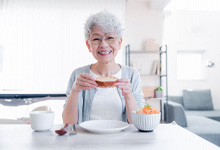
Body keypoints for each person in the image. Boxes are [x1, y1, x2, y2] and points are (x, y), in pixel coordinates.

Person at [62, 11, 144, 125]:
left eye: (110, 38)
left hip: (122, 142)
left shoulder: (132, 75)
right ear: (88, 45)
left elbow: (138, 123)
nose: (104, 45)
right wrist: (75, 91)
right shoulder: (78, 75)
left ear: (119, 43)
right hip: (87, 141)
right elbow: (68, 123)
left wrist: (128, 95)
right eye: (96, 39)